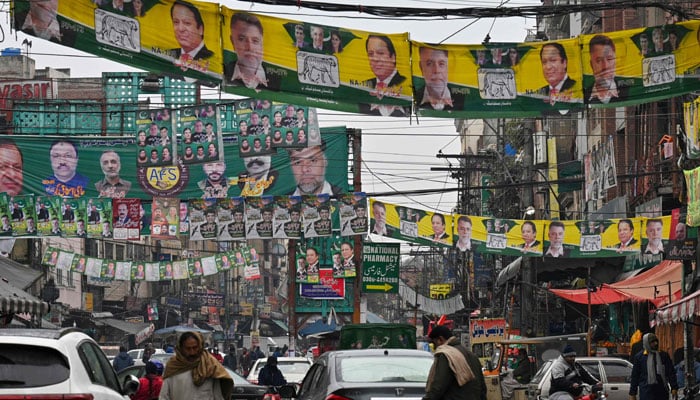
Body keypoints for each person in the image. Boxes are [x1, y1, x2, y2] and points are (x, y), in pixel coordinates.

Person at [161, 331, 233, 400]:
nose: (192, 352)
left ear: (200, 346)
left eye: (195, 348)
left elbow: (218, 396)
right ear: (181, 348)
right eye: (188, 348)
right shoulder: (173, 366)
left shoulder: (210, 364)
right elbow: (164, 396)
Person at [423, 325, 486, 400]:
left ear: (440, 339)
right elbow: (482, 388)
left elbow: (438, 387)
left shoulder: (446, 355)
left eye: (434, 344)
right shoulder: (472, 355)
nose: (434, 348)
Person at [225, 12, 280, 91]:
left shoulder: (278, 79)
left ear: (262, 43)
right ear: (232, 41)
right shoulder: (224, 73)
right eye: (242, 39)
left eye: (255, 41)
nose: (250, 47)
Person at [359, 35, 408, 117]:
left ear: (393, 57)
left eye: (380, 53)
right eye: (370, 54)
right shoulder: (362, 88)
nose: (375, 59)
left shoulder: (406, 83)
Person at [630, 333, 678, 400]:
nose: (655, 343)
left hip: (661, 392)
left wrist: (674, 387)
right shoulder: (639, 357)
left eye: (656, 341)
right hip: (646, 393)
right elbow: (635, 376)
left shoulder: (663, 356)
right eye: (652, 342)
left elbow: (671, 373)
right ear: (647, 343)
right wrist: (633, 394)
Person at [584, 35, 628, 104]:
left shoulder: (629, 90)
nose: (605, 66)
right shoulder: (584, 96)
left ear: (615, 61)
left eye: (609, 59)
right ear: (592, 65)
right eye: (599, 60)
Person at [416, 47, 463, 111]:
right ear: (421, 68)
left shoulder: (465, 99)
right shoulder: (414, 98)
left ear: (448, 67)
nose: (436, 70)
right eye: (429, 64)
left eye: (441, 64)